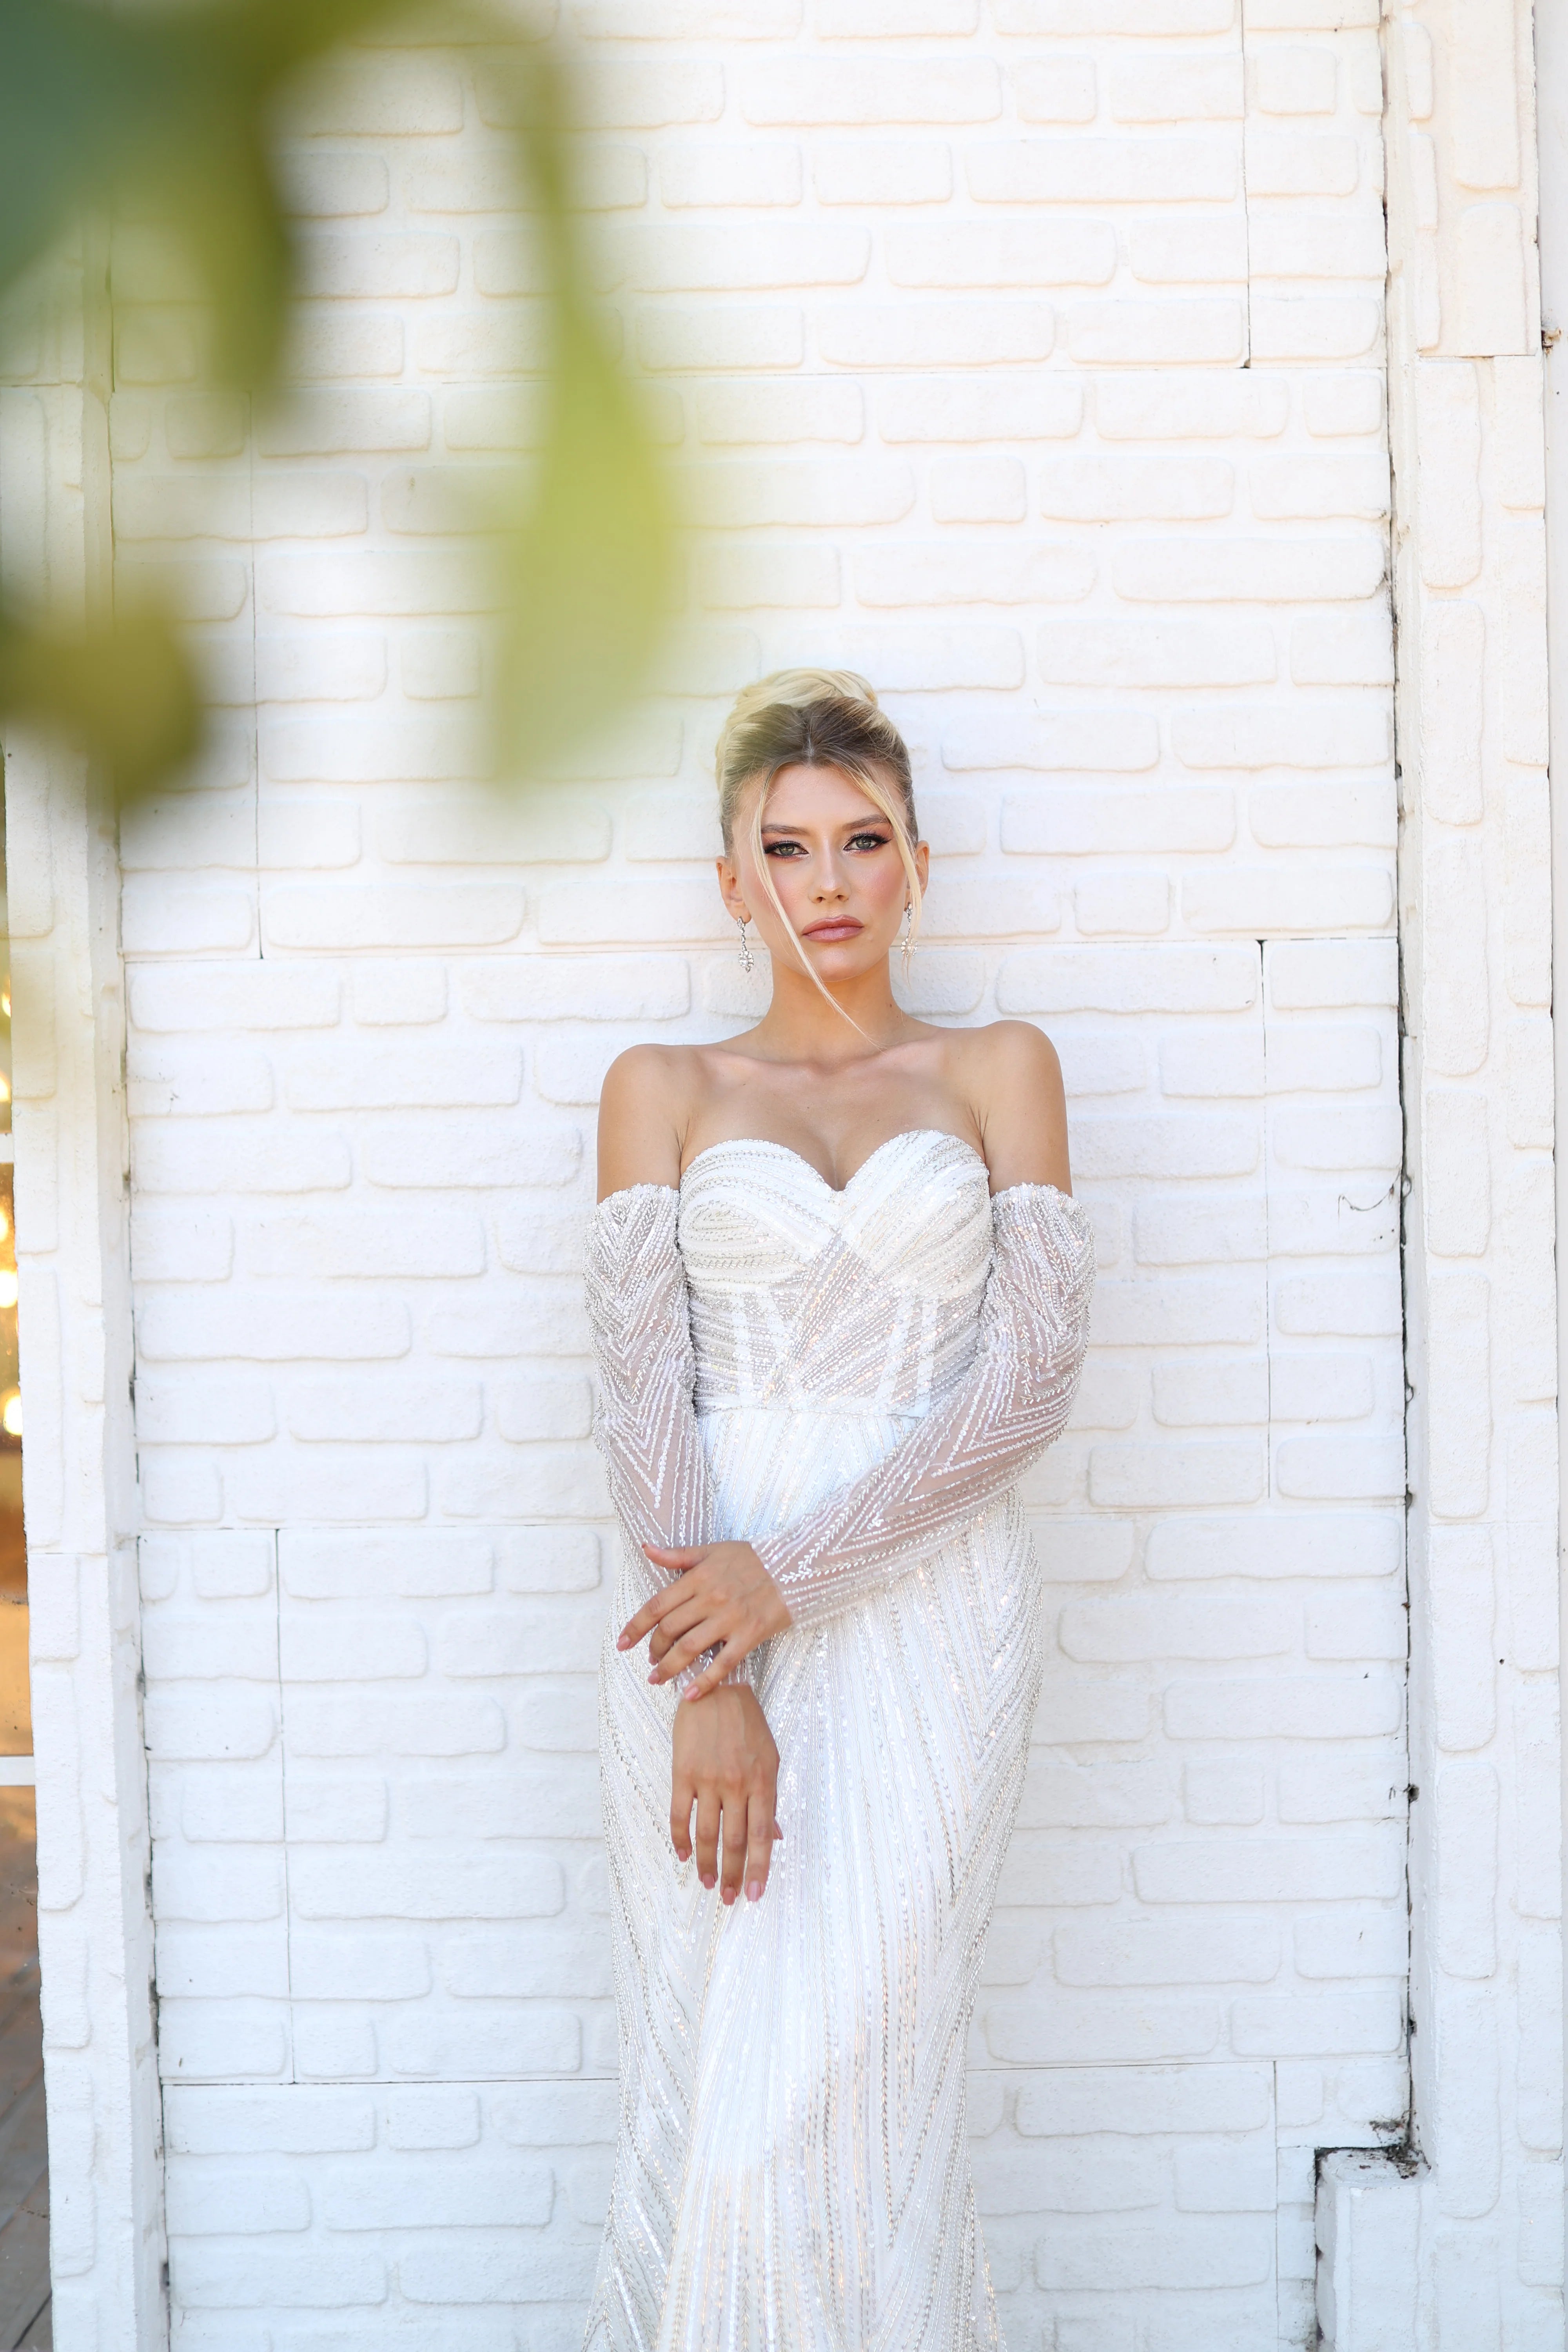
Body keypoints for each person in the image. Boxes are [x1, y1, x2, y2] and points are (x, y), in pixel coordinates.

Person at [583, 668, 1094, 2351]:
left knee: (866, 2090)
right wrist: (715, 1671)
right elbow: (642, 1396)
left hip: (932, 1618)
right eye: (787, 848)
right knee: (721, 2096)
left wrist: (786, 1578)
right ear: (732, 882)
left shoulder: (999, 1066)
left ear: (918, 867)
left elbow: (1027, 1384)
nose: (828, 882)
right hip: (698, 1637)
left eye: (864, 842)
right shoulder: (662, 1086)